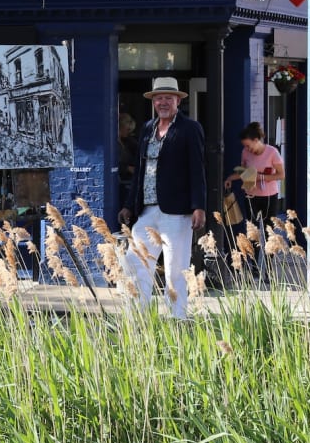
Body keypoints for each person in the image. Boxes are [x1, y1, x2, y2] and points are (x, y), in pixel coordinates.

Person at [119, 77, 206, 318]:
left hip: (176, 211)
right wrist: (129, 205)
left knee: (174, 269)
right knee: (136, 263)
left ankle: (177, 319)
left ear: (178, 100)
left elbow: (197, 169)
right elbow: (140, 169)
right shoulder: (148, 128)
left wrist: (199, 206)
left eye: (169, 97)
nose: (163, 102)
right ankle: (138, 317)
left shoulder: (190, 129)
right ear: (153, 101)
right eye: (159, 98)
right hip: (146, 209)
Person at [225, 121, 285, 228]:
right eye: (245, 146)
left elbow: (281, 175)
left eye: (248, 146)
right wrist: (230, 178)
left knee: (269, 229)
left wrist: (261, 177)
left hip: (268, 196)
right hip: (250, 194)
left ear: (256, 140)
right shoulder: (245, 152)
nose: (247, 149)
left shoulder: (272, 152)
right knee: (252, 229)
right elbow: (244, 171)